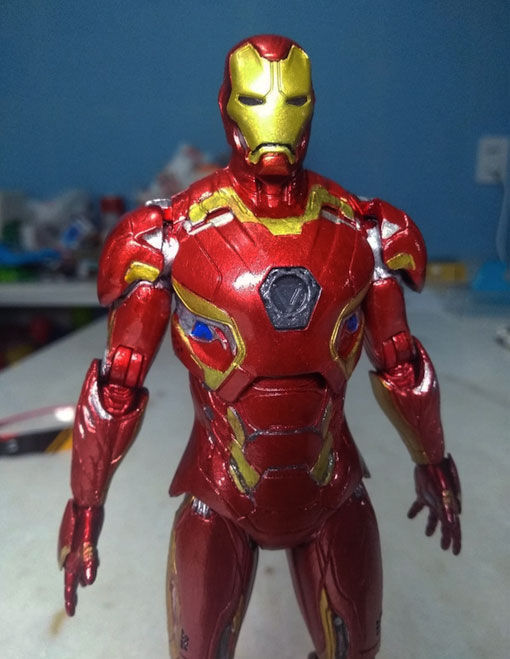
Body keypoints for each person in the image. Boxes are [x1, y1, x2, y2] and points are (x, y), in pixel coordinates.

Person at [58, 34, 461, 659]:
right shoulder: (169, 237)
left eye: (293, 100)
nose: (275, 118)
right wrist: (86, 504)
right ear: (228, 105)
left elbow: (400, 364)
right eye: (255, 99)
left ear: (311, 106)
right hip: (220, 495)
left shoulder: (364, 231)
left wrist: (432, 461)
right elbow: (118, 385)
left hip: (332, 490)